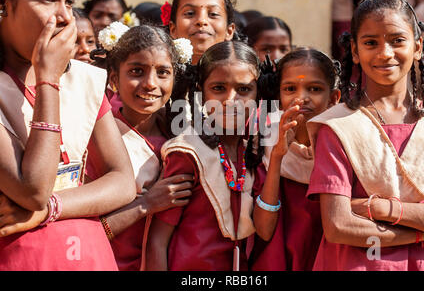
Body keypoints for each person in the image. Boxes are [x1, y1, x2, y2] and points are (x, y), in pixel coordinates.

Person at [0, 0, 136, 270]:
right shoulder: (53, 75)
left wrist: (52, 208)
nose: (63, 17)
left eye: (68, 2)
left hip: (88, 258)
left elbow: (123, 181)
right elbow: (33, 190)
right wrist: (48, 79)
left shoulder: (81, 78)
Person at [306, 0, 424, 271]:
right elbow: (338, 226)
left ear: (418, 46)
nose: (385, 53)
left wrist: (384, 210)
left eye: (397, 40)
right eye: (371, 43)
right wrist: (423, 231)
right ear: (355, 52)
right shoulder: (338, 125)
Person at [144, 41, 266, 271]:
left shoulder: (254, 149)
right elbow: (158, 240)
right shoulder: (187, 152)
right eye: (219, 88)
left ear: (259, 93)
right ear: (200, 91)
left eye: (243, 89)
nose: (230, 100)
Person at [86, 23, 194, 271]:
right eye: (137, 71)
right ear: (114, 78)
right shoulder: (95, 136)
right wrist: (146, 204)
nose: (150, 84)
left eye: (163, 73)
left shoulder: (181, 133)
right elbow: (84, 231)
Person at [250, 48, 341, 271]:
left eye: (315, 89)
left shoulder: (343, 145)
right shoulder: (263, 140)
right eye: (290, 89)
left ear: (333, 99)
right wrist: (278, 156)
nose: (302, 98)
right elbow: (263, 230)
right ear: (279, 98)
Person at [165, 0, 237, 65]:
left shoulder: (242, 75)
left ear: (229, 31)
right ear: (173, 29)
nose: (201, 21)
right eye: (190, 13)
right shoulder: (159, 75)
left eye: (213, 14)